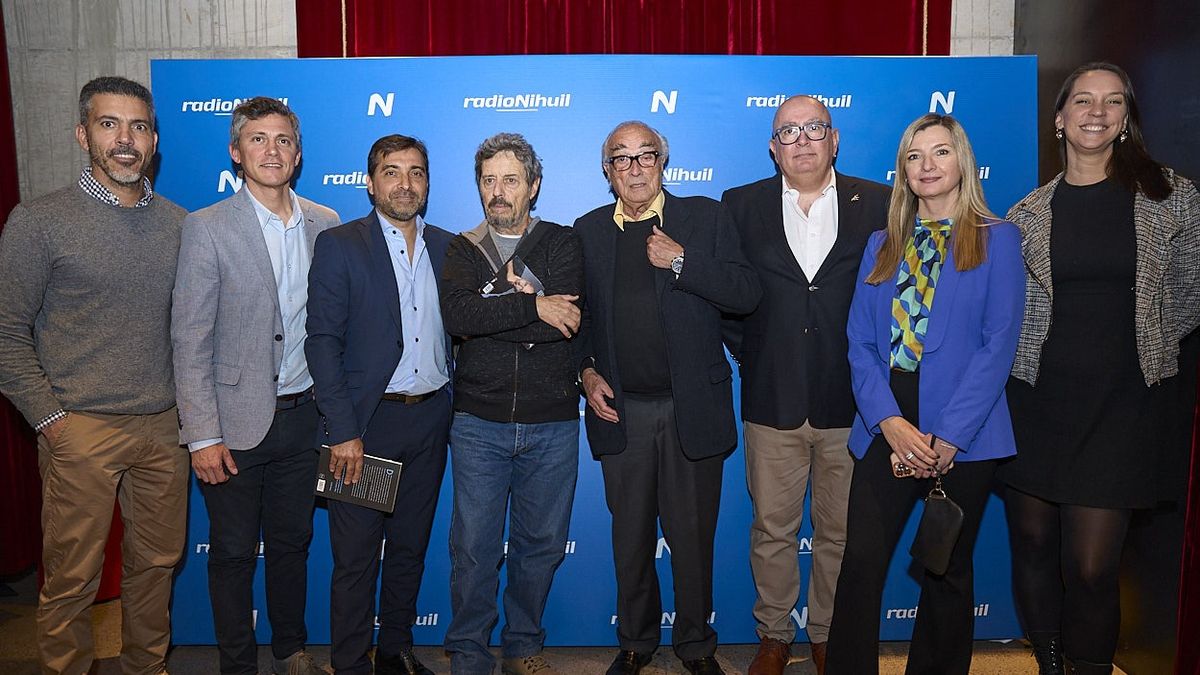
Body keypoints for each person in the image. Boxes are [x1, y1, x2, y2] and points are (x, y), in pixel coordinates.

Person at [998, 62, 1200, 675]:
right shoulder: (1024, 214)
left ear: (1125, 118)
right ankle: (1050, 661)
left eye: (1112, 102)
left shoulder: (1172, 197)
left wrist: (1151, 350)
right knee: (1032, 546)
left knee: (1092, 565)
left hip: (1123, 407)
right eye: (1083, 101)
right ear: (1059, 119)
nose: (1096, 112)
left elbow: (1191, 293)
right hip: (1035, 404)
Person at [824, 114, 1025, 675]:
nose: (927, 166)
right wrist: (889, 421)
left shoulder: (998, 239)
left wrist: (950, 437)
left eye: (940, 152)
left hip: (965, 427)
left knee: (947, 567)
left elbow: (998, 345)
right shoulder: (882, 243)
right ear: (903, 170)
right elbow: (859, 341)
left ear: (962, 160)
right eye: (915, 156)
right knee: (861, 561)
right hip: (887, 419)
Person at [0, 76, 188, 674]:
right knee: (72, 577)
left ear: (154, 139)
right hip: (79, 428)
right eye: (110, 125)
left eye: (138, 127)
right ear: (84, 134)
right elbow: (6, 333)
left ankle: (146, 667)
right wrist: (53, 421)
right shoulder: (39, 222)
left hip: (164, 428)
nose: (125, 140)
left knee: (156, 567)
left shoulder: (181, 224)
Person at [575, 120, 761, 675]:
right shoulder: (585, 231)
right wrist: (584, 371)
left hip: (691, 411)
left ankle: (697, 645)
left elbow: (746, 293)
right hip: (621, 412)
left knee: (692, 538)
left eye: (645, 155)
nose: (635, 167)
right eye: (622, 158)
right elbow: (575, 318)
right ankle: (635, 643)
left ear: (663, 163)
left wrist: (682, 260)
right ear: (608, 171)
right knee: (630, 539)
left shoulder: (704, 217)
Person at [721, 95, 889, 675]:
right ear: (773, 147)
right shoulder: (740, 205)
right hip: (773, 397)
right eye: (787, 131)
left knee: (840, 531)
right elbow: (729, 298)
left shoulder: (883, 202)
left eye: (813, 128)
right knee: (772, 528)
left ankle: (828, 636)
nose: (801, 141)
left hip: (856, 401)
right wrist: (759, 357)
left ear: (834, 138)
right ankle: (773, 635)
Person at [171, 96, 339, 675]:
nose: (273, 150)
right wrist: (201, 436)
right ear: (236, 152)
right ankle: (237, 664)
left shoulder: (326, 223)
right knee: (235, 554)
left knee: (292, 546)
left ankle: (291, 650)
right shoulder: (207, 227)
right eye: (259, 139)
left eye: (284, 140)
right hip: (233, 425)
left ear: (297, 153)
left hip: (303, 417)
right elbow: (189, 340)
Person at [305, 134, 454, 675]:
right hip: (366, 427)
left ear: (428, 183)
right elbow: (321, 340)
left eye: (416, 172)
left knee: (411, 547)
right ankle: (349, 663)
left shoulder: (447, 246)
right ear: (370, 183)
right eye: (392, 171)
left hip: (432, 418)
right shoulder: (342, 245)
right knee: (356, 558)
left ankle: (395, 650)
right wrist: (342, 430)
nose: (405, 183)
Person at [439, 132, 583, 675]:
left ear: (534, 186)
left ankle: (524, 646)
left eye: (510, 180)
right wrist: (531, 305)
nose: (497, 192)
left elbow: (565, 324)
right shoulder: (462, 247)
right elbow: (459, 319)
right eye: (488, 180)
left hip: (552, 424)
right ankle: (469, 655)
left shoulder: (561, 243)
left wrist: (499, 306)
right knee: (474, 551)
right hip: (479, 422)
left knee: (541, 546)